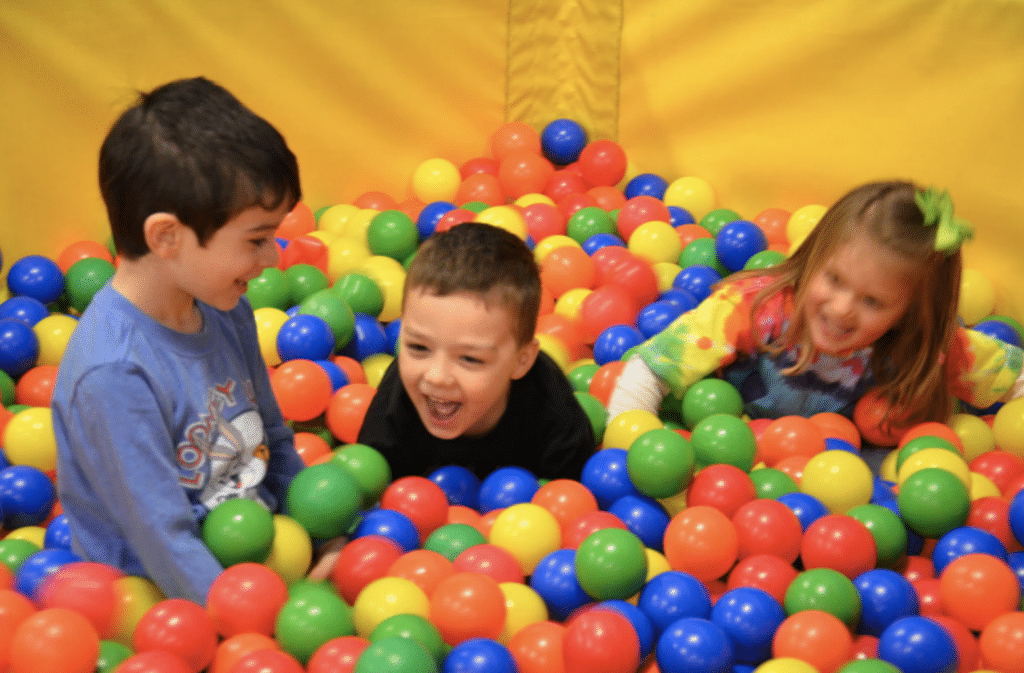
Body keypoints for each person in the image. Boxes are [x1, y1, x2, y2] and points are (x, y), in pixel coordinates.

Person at [51, 77, 309, 604]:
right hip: (158, 606)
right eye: (256, 240)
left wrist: (324, 537)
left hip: (261, 562)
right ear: (166, 237)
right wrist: (248, 625)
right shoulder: (114, 372)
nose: (272, 260)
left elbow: (275, 440)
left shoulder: (225, 309)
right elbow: (162, 538)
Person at [607, 180, 1024, 431]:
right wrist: (628, 446)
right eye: (834, 279)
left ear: (909, 313)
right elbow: (650, 367)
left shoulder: (923, 348)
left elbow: (1014, 375)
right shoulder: (756, 308)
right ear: (813, 258)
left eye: (872, 301)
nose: (841, 308)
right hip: (728, 443)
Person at [357, 221, 597, 481]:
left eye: (470, 358)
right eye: (418, 347)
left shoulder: (555, 417)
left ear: (522, 361)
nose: (437, 376)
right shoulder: (391, 417)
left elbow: (573, 500)